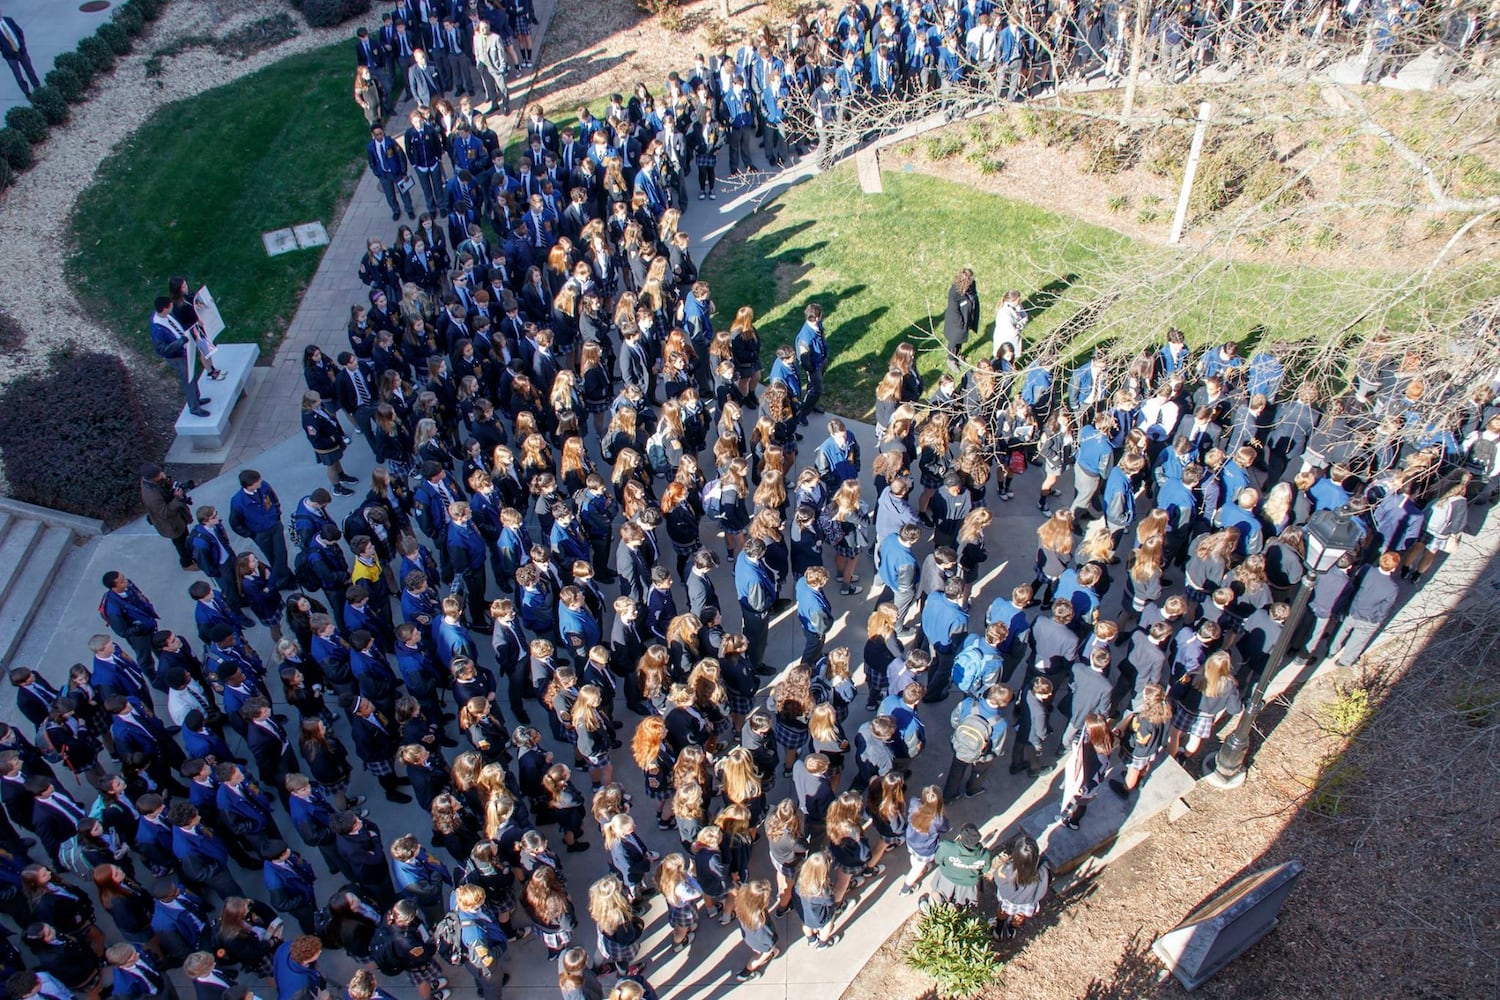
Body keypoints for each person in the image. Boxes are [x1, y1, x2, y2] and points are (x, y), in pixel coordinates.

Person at [150, 296, 210, 416]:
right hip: (177, 357)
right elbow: (163, 350)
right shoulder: (158, 329)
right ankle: (194, 408)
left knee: (192, 376)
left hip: (184, 350)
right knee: (188, 380)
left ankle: (196, 399)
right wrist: (181, 341)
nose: (173, 305)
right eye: (170, 305)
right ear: (164, 309)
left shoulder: (167, 315)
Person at [140, 464, 197, 570]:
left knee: (185, 536)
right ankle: (187, 564)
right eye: (159, 474)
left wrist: (167, 480)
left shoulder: (151, 482)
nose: (161, 474)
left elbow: (165, 488)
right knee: (180, 543)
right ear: (153, 478)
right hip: (171, 525)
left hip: (177, 519)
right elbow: (165, 513)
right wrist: (177, 498)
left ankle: (190, 552)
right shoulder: (152, 497)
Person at [0, 10, 40, 97]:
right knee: (18, 76)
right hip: (10, 56)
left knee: (30, 70)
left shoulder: (8, 20)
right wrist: (6, 50)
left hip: (21, 51)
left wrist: (22, 44)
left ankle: (38, 87)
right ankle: (27, 92)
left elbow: (19, 31)